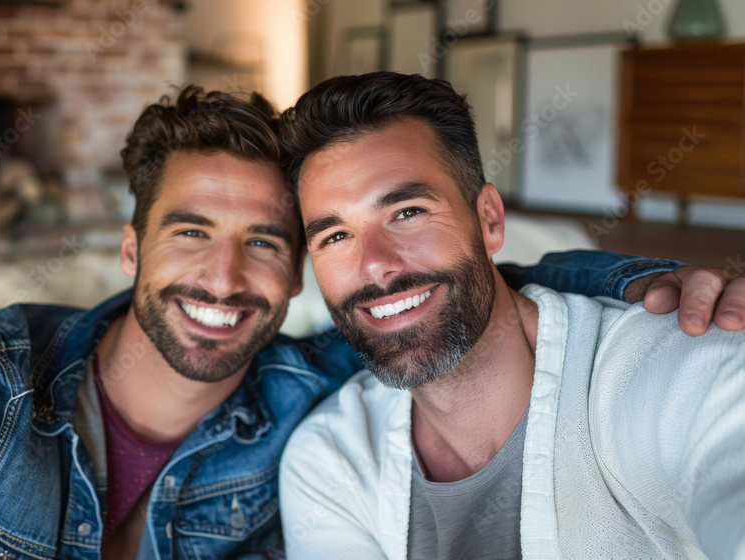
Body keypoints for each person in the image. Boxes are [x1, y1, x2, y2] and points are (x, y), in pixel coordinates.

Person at [0, 85, 736, 560]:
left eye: (269, 240)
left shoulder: (309, 399)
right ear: (129, 247)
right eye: (189, 232)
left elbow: (449, 297)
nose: (224, 277)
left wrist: (634, 278)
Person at [277, 72, 745, 559]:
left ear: (489, 221)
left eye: (407, 212)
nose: (374, 264)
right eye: (334, 237)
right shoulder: (330, 459)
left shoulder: (675, 373)